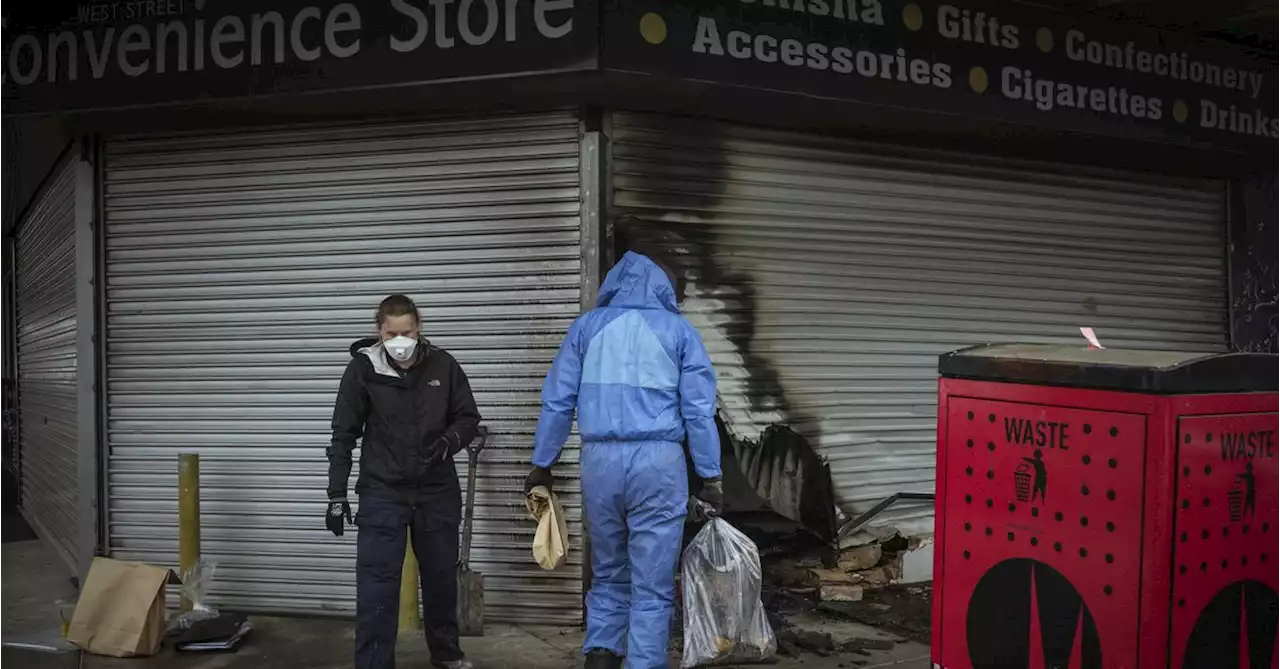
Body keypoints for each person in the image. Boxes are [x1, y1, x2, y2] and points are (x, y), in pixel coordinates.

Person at [524, 251, 724, 669]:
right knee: (651, 583)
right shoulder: (679, 332)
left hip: (599, 463)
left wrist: (542, 463)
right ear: (663, 288)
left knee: (610, 570)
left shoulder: (586, 328)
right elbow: (698, 411)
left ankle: (600, 656)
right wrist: (709, 475)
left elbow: (557, 402)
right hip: (658, 463)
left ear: (613, 285)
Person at [327, 294, 482, 669]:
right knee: (377, 585)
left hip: (437, 491)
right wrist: (336, 494)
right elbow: (343, 434)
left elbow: (467, 418)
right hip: (383, 492)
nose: (400, 340)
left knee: (441, 580)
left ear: (419, 329)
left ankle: (447, 655)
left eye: (407, 332)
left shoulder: (443, 366)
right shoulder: (363, 370)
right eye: (391, 332)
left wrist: (448, 444)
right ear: (379, 332)